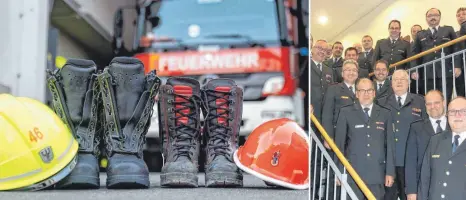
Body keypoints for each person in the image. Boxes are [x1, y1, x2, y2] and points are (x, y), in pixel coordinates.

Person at [335, 78, 395, 200]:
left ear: (374, 93)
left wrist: (390, 172)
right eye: (362, 91)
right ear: (356, 94)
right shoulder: (346, 112)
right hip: (353, 173)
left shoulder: (385, 113)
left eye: (369, 90)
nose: (366, 94)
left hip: (377, 173)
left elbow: (390, 145)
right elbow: (339, 145)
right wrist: (339, 172)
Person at [377, 70, 427, 200]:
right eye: (395, 79)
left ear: (409, 82)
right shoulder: (381, 102)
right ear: (391, 83)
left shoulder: (420, 101)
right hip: (389, 162)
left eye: (402, 79)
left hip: (410, 163)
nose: (399, 82)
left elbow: (425, 129)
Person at [404, 90, 450, 200]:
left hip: (451, 184)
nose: (433, 106)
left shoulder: (455, 125)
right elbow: (410, 162)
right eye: (429, 103)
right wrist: (411, 191)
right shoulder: (416, 128)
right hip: (425, 187)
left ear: (444, 103)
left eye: (436, 102)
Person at [418, 97, 466, 200]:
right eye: (453, 111)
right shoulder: (435, 141)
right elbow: (425, 178)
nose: (457, 115)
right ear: (447, 115)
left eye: (463, 111)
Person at [411, 8, 462, 99]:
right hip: (427, 74)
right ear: (426, 18)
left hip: (446, 72)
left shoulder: (448, 29)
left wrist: (457, 66)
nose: (433, 17)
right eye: (430, 16)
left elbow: (456, 48)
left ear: (440, 17)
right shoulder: (420, 34)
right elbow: (415, 54)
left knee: (446, 99)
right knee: (429, 100)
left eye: (435, 15)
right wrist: (414, 70)